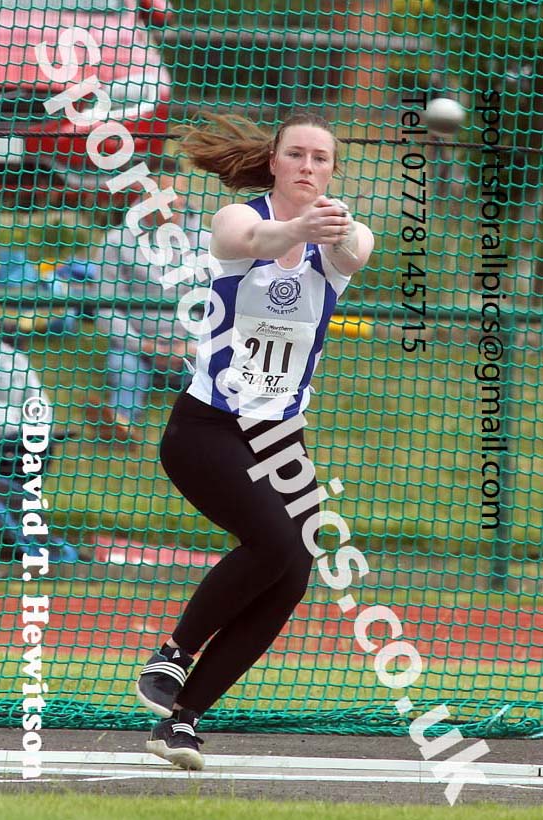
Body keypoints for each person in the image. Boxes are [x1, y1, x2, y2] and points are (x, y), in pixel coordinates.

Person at [135, 112, 374, 770]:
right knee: (273, 541)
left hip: (279, 438)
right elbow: (258, 237)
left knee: (293, 570)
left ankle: (179, 721)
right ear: (272, 162)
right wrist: (298, 228)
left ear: (332, 169)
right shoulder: (235, 221)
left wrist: (331, 229)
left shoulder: (343, 234)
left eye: (320, 158)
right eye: (295, 154)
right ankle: (173, 654)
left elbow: (353, 248)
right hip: (206, 428)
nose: (307, 166)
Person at [86, 175, 208, 444]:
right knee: (123, 366)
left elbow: (222, 307)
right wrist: (141, 344)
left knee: (219, 371)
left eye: (174, 196)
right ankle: (119, 422)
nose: (169, 203)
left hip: (193, 347)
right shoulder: (116, 242)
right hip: (139, 347)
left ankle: (209, 431)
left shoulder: (209, 242)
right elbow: (104, 307)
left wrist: (192, 346)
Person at [0, 339, 77, 566]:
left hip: (13, 446)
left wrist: (37, 434)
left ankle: (37, 546)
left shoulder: (13, 359)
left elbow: (39, 408)